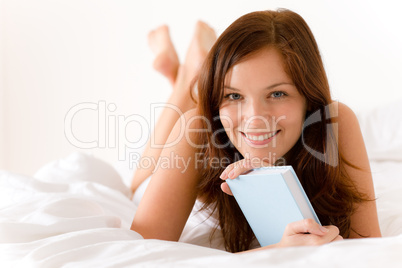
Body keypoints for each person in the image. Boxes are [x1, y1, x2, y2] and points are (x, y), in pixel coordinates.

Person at [130, 9, 382, 253]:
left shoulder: (333, 122)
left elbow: (367, 248)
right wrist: (279, 251)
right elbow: (144, 254)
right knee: (139, 182)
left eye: (277, 93)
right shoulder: (199, 127)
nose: (255, 119)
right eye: (234, 95)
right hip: (193, 146)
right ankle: (186, 78)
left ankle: (189, 74)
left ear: (309, 99)